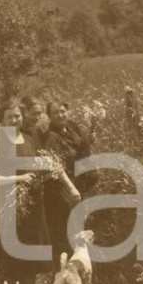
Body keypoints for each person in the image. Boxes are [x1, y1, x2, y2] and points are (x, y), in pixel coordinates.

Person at [0, 99, 50, 284]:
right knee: (11, 251)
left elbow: (35, 165)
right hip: (10, 202)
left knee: (29, 247)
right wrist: (18, 178)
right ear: (2, 121)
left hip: (31, 204)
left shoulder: (30, 138)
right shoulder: (0, 142)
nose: (14, 120)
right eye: (9, 117)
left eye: (17, 116)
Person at [43, 100, 93, 272]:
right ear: (49, 116)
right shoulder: (51, 137)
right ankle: (63, 277)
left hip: (80, 185)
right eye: (55, 113)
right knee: (66, 234)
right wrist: (71, 188)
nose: (60, 115)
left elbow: (83, 147)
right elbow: (55, 167)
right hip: (62, 191)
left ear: (68, 111)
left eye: (62, 111)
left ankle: (80, 273)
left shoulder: (71, 127)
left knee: (79, 230)